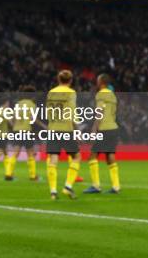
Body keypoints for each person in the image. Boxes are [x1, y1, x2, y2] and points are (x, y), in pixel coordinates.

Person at [45, 70, 81, 200]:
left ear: (58, 79)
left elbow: (48, 112)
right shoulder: (71, 93)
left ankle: (53, 191)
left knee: (53, 160)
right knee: (76, 157)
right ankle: (67, 186)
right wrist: (77, 130)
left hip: (53, 129)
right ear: (70, 80)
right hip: (66, 129)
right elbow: (72, 112)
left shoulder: (51, 92)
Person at [84, 74, 121, 194]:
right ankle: (116, 186)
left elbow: (99, 112)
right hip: (113, 127)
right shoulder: (112, 95)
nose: (96, 82)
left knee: (92, 155)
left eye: (97, 80)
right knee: (110, 156)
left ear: (101, 82)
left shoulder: (101, 94)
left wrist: (94, 128)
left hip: (104, 128)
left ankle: (96, 185)